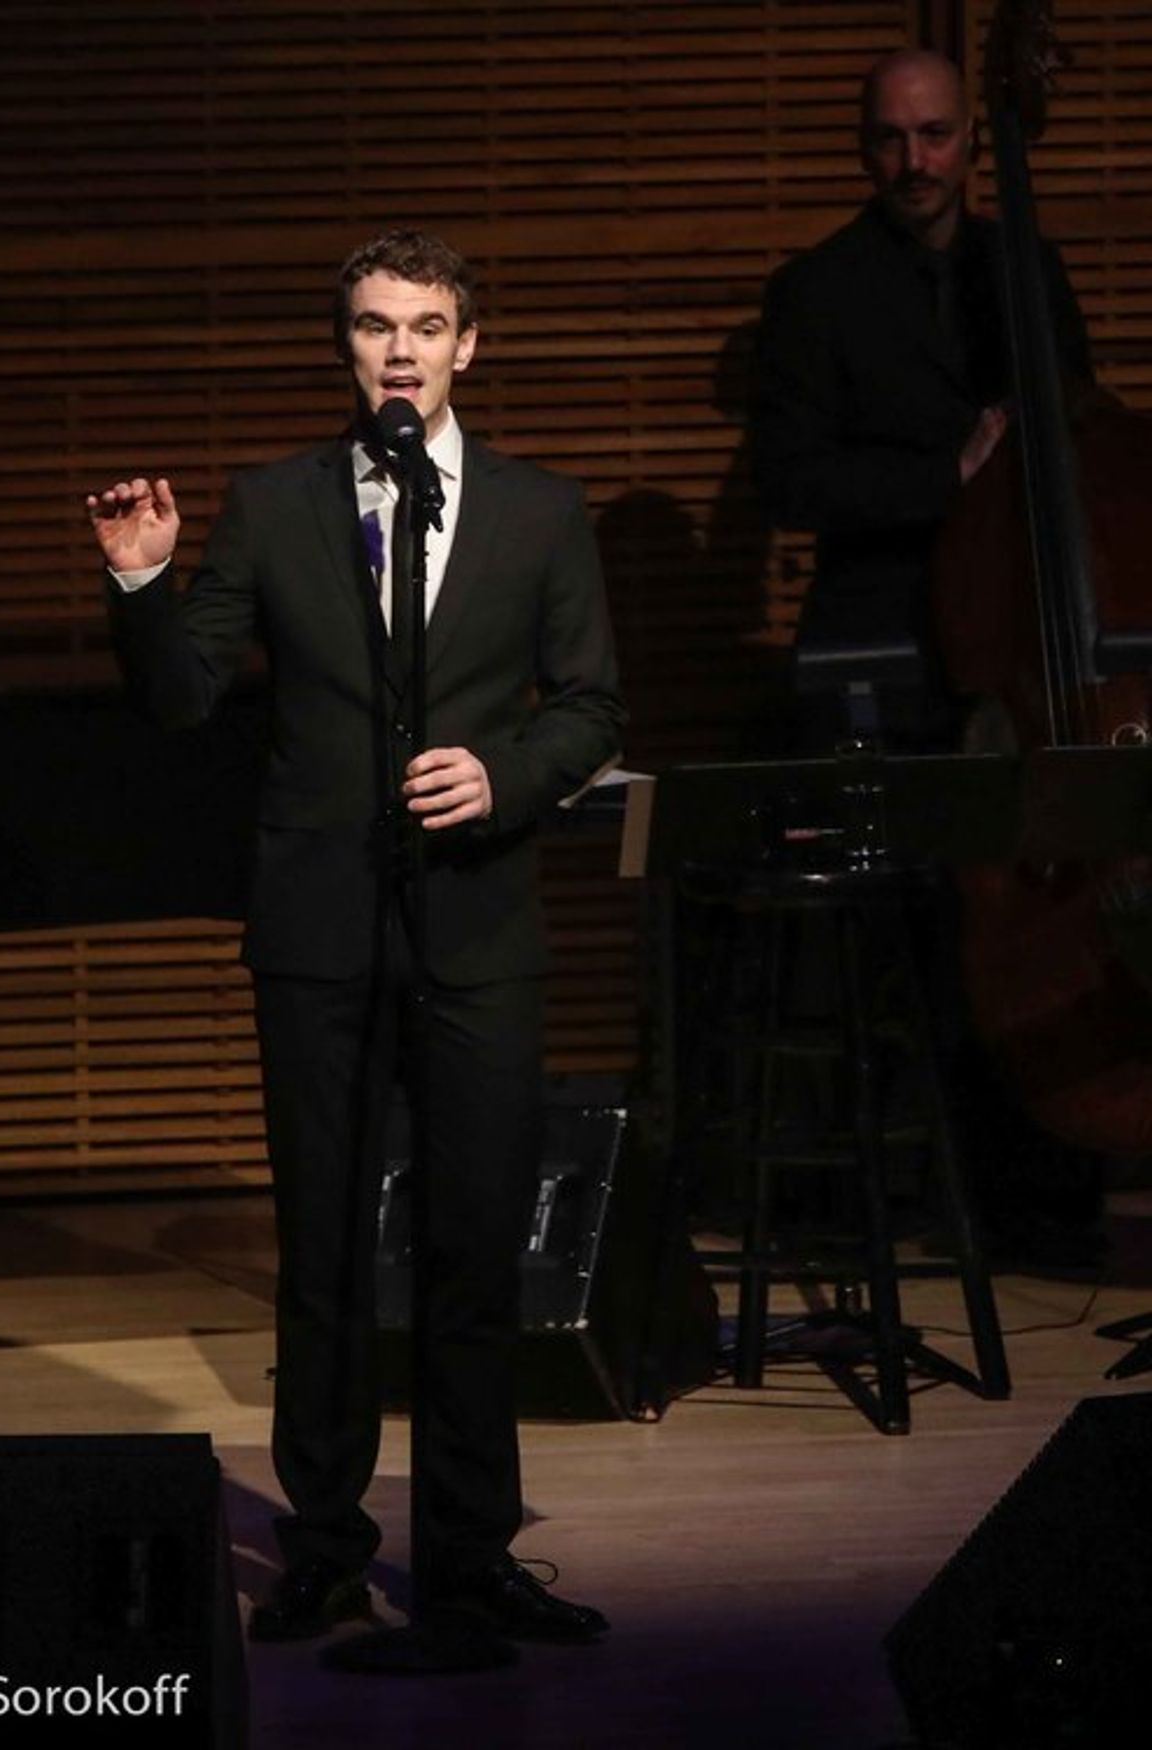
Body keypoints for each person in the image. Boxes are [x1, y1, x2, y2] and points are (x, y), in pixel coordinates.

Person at [86, 230, 624, 1645]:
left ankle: (468, 1553)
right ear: (347, 346)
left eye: (426, 326)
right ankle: (323, 1545)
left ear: (467, 346)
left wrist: (503, 773)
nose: (400, 350)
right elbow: (182, 698)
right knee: (321, 1249)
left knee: (471, 1249)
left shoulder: (539, 509)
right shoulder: (275, 503)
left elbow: (590, 703)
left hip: (477, 923)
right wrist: (142, 586)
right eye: (377, 326)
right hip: (320, 926)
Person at [751, 46, 1093, 750]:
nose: (915, 162)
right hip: (889, 638)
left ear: (971, 140)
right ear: (863, 150)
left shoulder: (1031, 267)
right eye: (891, 138)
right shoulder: (812, 291)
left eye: (934, 134)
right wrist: (951, 475)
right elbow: (790, 485)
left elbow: (1085, 432)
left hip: (1033, 627)